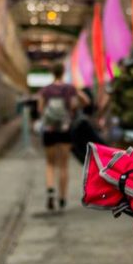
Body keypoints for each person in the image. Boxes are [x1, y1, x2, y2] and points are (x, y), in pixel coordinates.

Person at [37, 62, 86, 210]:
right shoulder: (70, 88)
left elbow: (40, 109)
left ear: (52, 73)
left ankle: (50, 190)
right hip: (65, 129)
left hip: (49, 129)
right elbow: (83, 101)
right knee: (64, 165)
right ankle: (63, 198)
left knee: (50, 164)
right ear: (63, 72)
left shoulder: (45, 90)